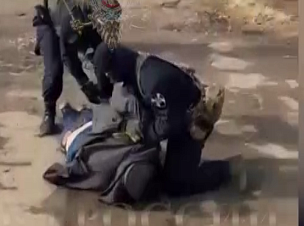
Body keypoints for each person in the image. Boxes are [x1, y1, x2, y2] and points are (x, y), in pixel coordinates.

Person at [90, 43, 231, 197]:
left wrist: (145, 136)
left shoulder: (151, 80)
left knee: (176, 186)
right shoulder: (134, 69)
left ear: (118, 65)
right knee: (162, 167)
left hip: (191, 117)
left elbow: (168, 123)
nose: (110, 79)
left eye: (109, 73)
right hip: (173, 111)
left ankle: (227, 170)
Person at [31, 0, 113, 136]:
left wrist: (107, 76)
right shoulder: (75, 9)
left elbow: (97, 39)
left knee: (99, 52)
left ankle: (108, 97)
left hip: (69, 18)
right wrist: (84, 84)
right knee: (54, 70)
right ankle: (49, 115)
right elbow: (68, 56)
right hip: (50, 24)